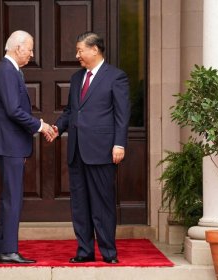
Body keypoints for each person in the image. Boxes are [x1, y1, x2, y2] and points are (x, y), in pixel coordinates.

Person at [52, 31, 130, 264]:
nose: (77, 55)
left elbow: (122, 114)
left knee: (102, 204)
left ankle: (108, 253)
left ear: (94, 49)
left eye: (80, 50)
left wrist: (119, 144)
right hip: (77, 151)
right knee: (80, 205)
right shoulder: (77, 78)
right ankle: (84, 251)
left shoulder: (116, 77)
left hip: (103, 151)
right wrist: (57, 128)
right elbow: (70, 111)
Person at [0, 30, 54, 264]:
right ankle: (9, 251)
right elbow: (13, 110)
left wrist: (39, 125)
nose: (32, 54)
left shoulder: (10, 70)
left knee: (10, 197)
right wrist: (41, 126)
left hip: (10, 143)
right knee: (12, 198)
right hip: (9, 143)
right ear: (18, 48)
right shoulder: (7, 71)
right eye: (30, 49)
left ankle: (0, 249)